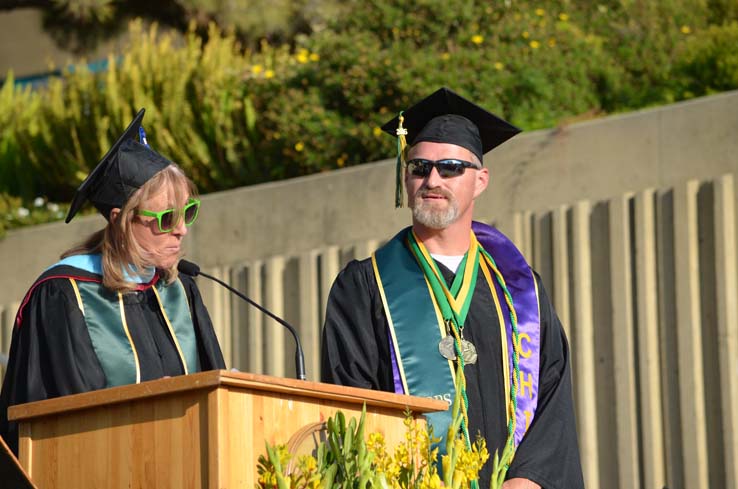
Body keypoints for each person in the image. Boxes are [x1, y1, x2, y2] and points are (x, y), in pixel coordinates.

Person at [321, 88, 584, 489]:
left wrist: (529, 479)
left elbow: (552, 395)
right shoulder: (364, 287)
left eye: (449, 168)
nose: (432, 180)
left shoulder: (518, 290)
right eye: (419, 167)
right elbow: (351, 405)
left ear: (480, 180)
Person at [0, 109, 226, 454]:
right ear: (121, 221)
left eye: (188, 212)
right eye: (166, 218)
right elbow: (62, 418)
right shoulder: (65, 294)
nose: (182, 229)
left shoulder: (180, 291)